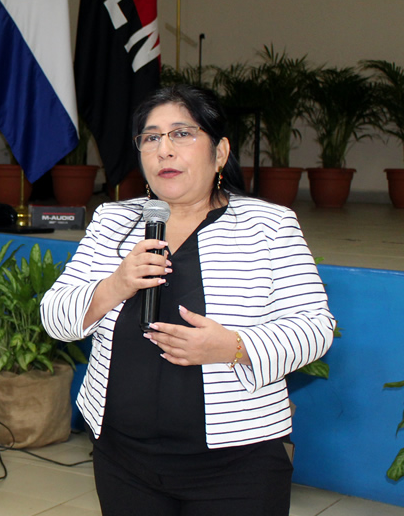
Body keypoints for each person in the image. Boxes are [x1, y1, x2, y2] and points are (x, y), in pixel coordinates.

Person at [40, 85, 336, 515]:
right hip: (123, 458)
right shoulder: (113, 220)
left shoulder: (268, 225)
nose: (164, 150)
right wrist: (115, 284)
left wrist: (233, 347)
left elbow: (314, 326)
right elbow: (55, 316)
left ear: (219, 152)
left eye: (182, 134)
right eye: (151, 137)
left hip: (238, 464)